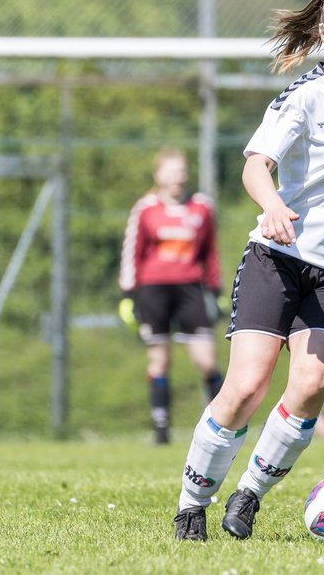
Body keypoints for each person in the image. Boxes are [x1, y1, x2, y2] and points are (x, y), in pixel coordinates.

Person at [172, 0, 324, 542]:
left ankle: (248, 495)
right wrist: (272, 205)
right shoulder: (303, 97)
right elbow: (255, 165)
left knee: (308, 384)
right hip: (278, 257)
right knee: (248, 387)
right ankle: (192, 505)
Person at [119, 147, 223, 446]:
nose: (178, 175)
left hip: (191, 290)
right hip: (153, 290)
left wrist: (215, 291)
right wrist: (128, 294)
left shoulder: (202, 207)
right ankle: (161, 429)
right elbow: (133, 252)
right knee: (159, 361)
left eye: (182, 170)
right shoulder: (146, 208)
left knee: (206, 362)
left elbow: (210, 254)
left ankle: (224, 425)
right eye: (171, 170)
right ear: (158, 174)